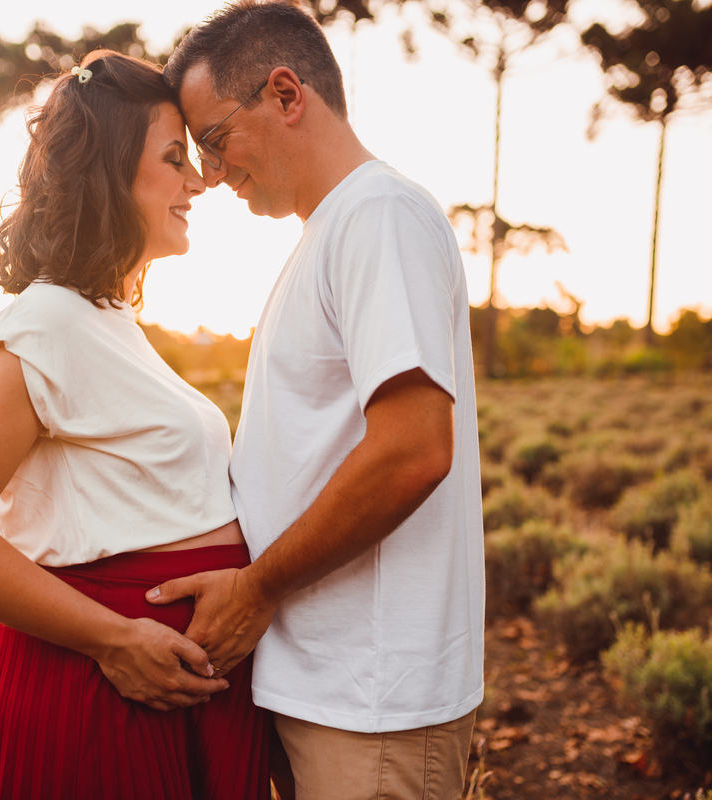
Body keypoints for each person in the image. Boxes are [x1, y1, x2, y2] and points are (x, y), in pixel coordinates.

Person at [0, 51, 270, 800]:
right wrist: (116, 638)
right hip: (93, 692)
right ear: (109, 172)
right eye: (172, 159)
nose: (197, 183)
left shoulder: (108, 318)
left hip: (160, 685)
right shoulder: (48, 319)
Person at [144, 2, 486, 798]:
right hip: (328, 693)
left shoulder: (378, 217)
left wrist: (256, 589)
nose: (215, 174)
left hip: (372, 706)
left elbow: (413, 449)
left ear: (286, 94)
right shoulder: (333, 231)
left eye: (217, 141)